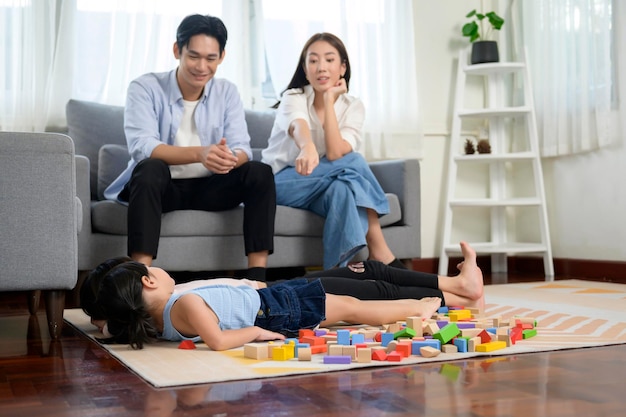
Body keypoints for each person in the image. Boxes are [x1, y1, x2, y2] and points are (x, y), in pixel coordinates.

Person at [103, 14, 275, 281]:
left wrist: (226, 159)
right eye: (194, 56)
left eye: (211, 58)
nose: (202, 66)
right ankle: (141, 278)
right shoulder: (145, 87)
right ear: (177, 50)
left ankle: (257, 280)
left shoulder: (227, 92)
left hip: (210, 188)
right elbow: (143, 146)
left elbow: (243, 148)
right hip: (164, 189)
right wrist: (200, 153)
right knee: (149, 167)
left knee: (259, 171)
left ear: (222, 57)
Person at [93, 242, 483, 351]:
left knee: (350, 310)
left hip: (274, 305)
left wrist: (108, 322)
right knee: (353, 308)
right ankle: (419, 307)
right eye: (152, 270)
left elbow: (112, 326)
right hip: (275, 308)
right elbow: (218, 340)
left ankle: (443, 300)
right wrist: (256, 334)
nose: (160, 270)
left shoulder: (154, 325)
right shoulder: (185, 302)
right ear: (147, 283)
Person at [261, 32, 401, 270]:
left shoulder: (352, 106)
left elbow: (335, 153)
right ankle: (378, 245)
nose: (321, 67)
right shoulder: (293, 97)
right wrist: (307, 147)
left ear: (342, 67)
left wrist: (328, 100)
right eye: (313, 61)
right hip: (279, 182)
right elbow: (298, 125)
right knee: (354, 161)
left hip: (322, 184)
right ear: (305, 70)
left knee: (342, 189)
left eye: (329, 60)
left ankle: (336, 276)